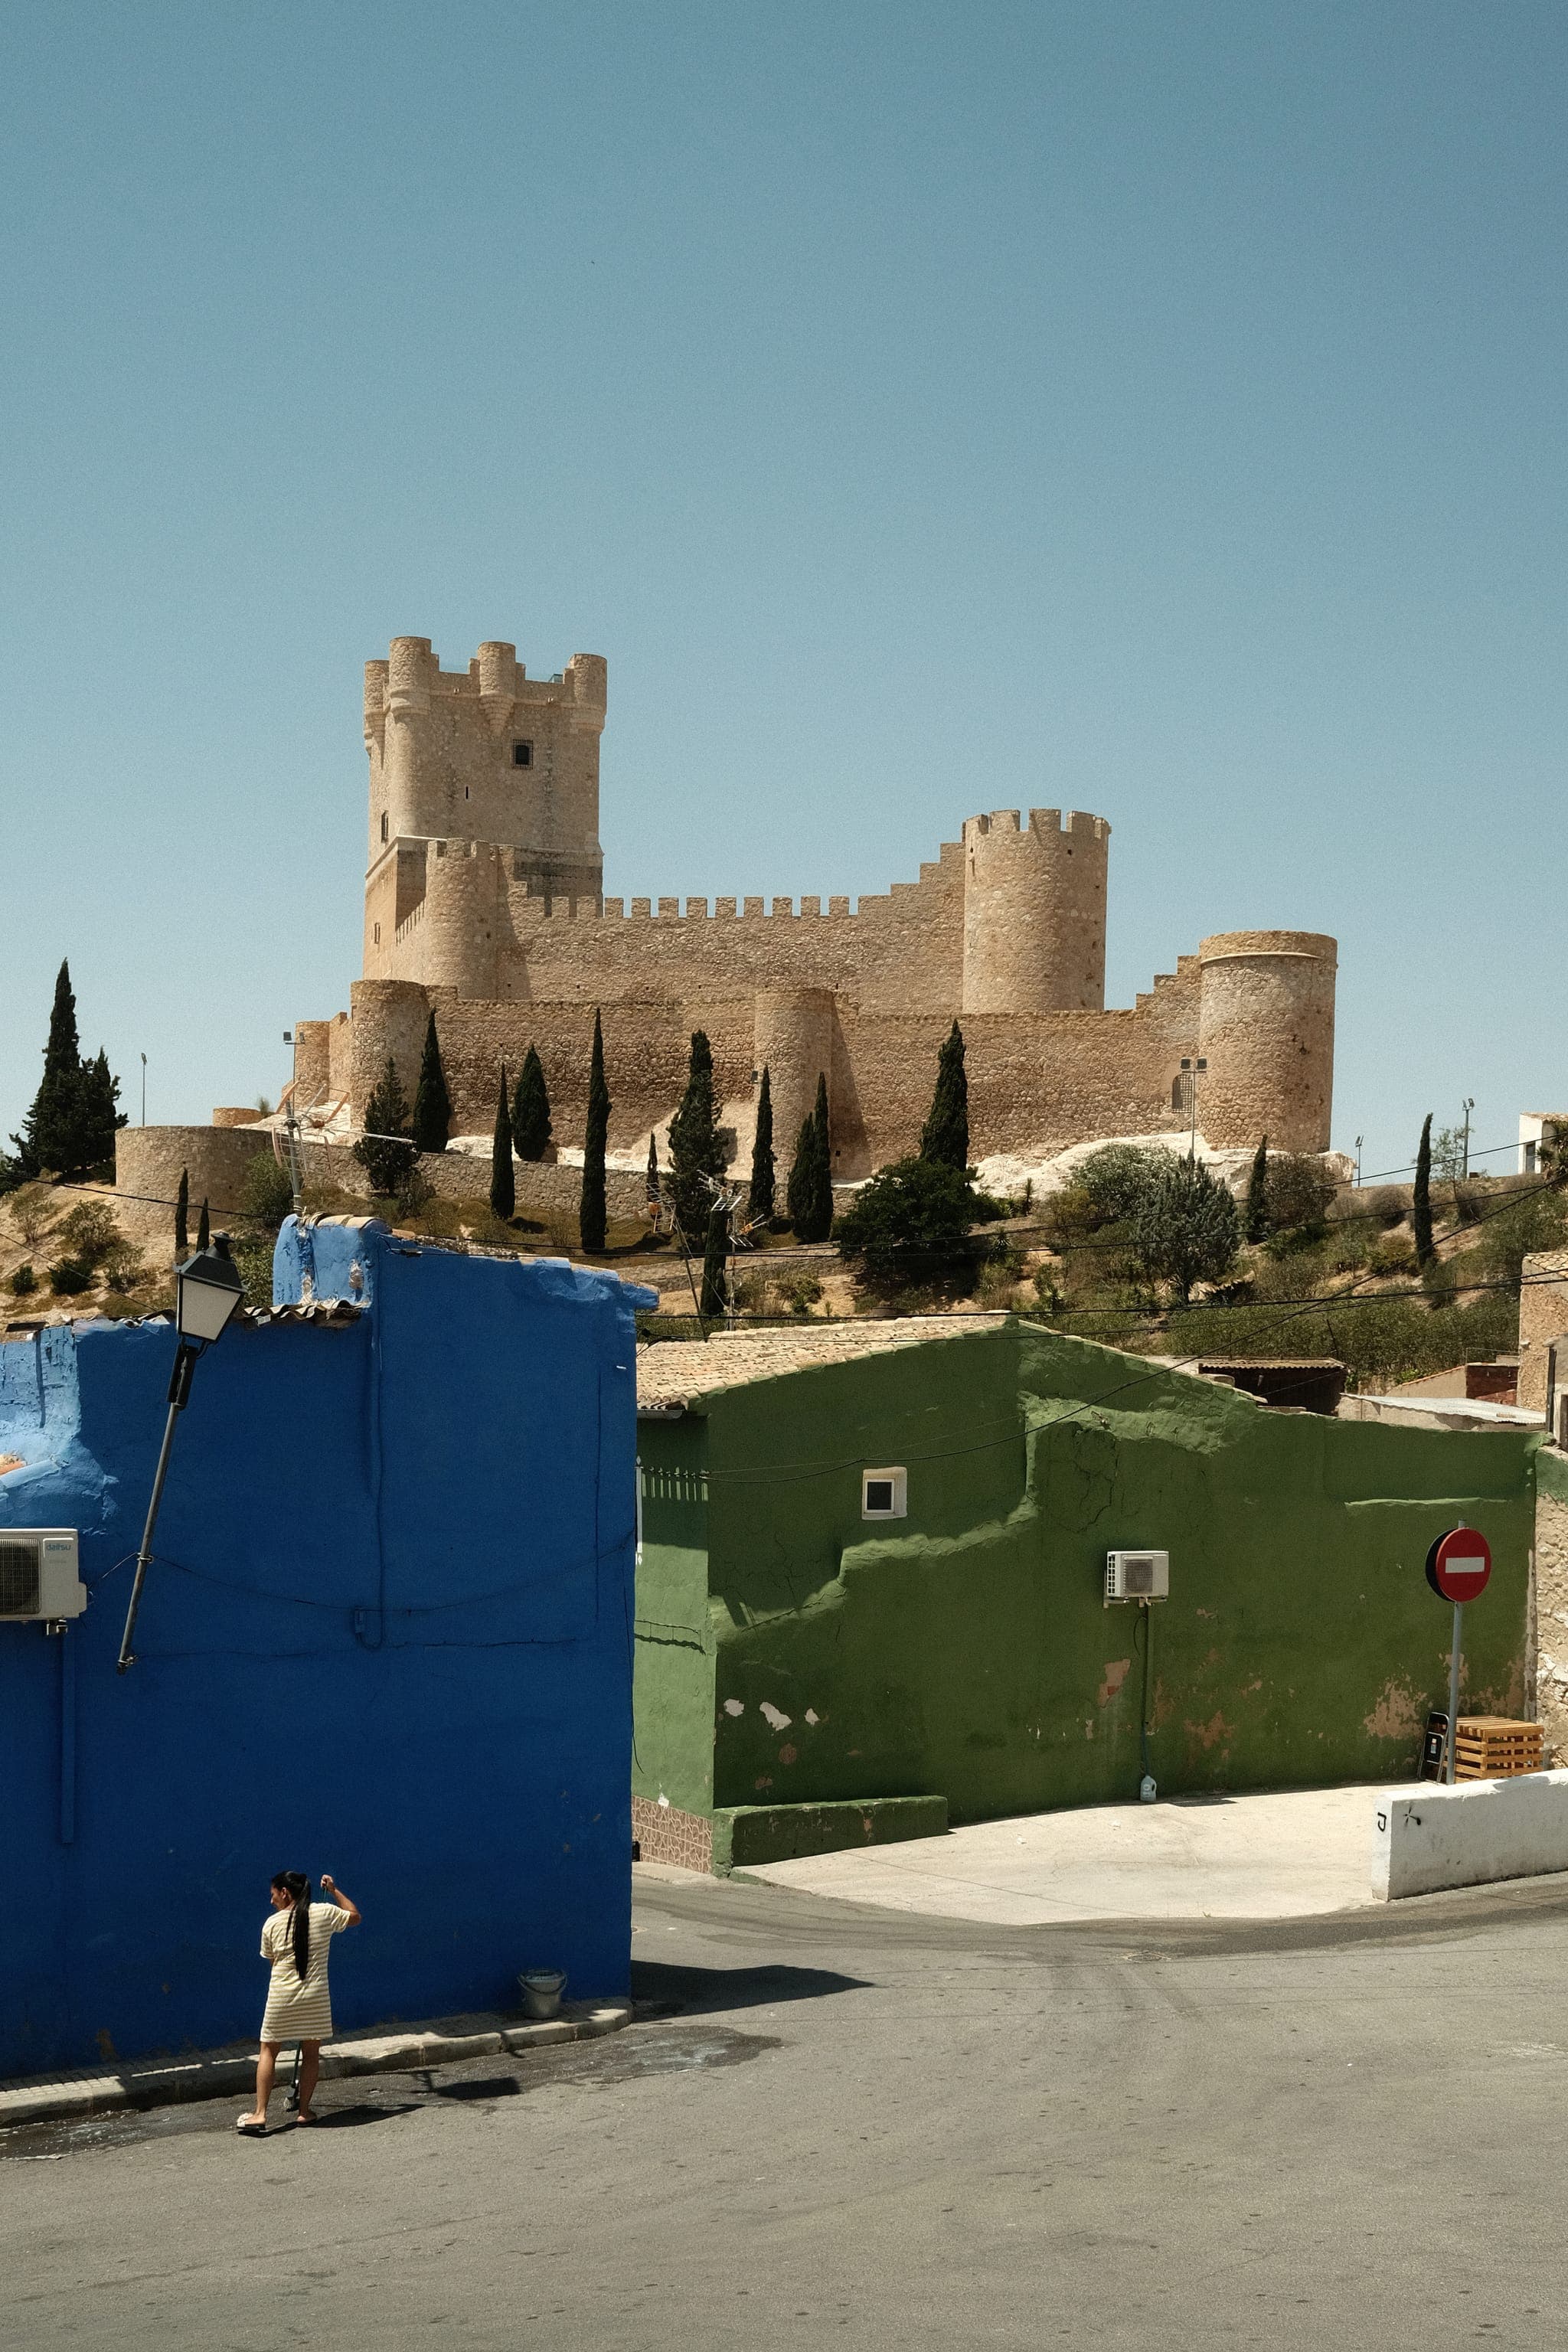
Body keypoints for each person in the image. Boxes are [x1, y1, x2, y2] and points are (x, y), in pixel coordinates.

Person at [237, 1870, 361, 2135]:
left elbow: (273, 1962)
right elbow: (354, 1916)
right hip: (315, 1998)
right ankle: (305, 2111)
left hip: (282, 1996)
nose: (271, 1901)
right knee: (311, 2055)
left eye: (273, 1895)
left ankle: (260, 2114)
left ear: (285, 1892)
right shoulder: (324, 1913)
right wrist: (335, 1889)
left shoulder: (271, 1924)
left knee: (268, 2051)